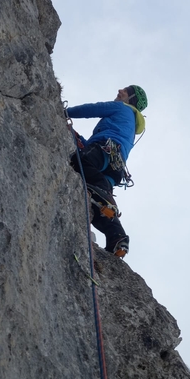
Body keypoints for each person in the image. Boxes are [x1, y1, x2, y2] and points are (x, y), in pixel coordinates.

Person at [67, 85, 148, 258]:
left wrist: (65, 112)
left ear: (130, 98)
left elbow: (93, 109)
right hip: (115, 167)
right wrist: (78, 138)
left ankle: (103, 193)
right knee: (100, 208)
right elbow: (90, 144)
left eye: (125, 91)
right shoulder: (130, 127)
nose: (119, 91)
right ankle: (117, 237)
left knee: (78, 162)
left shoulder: (122, 108)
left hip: (104, 150)